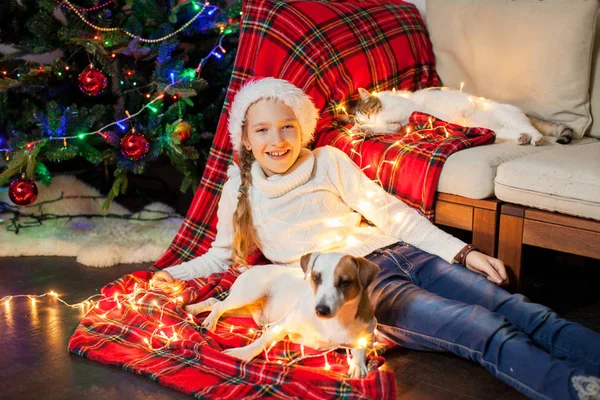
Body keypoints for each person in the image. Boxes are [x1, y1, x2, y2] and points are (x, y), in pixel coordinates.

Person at [153, 78, 600, 400]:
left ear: (302, 128)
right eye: (263, 130)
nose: (277, 139)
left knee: (517, 307)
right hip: (360, 289)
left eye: (287, 126)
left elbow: (390, 213)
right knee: (481, 325)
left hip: (403, 253)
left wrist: (462, 253)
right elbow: (218, 256)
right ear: (246, 140)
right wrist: (164, 276)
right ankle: (575, 389)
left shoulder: (327, 160)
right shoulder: (240, 188)